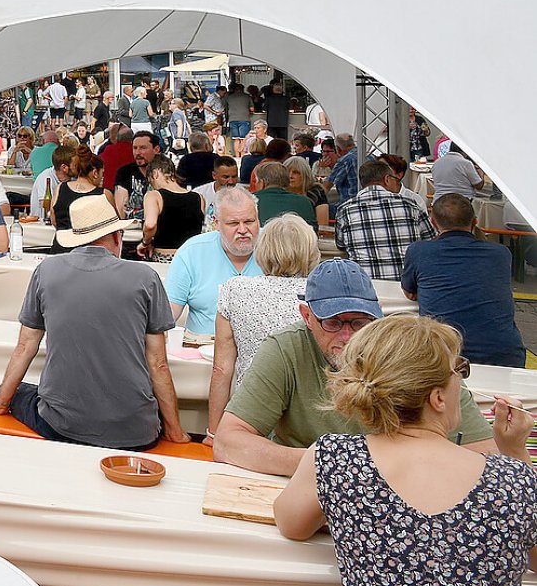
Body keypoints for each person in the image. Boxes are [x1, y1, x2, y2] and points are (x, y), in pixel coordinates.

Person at [273, 314, 537, 586]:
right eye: (459, 372)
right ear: (437, 398)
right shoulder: (511, 480)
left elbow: (291, 523)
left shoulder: (335, 459)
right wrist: (516, 451)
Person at [213, 257, 494, 477]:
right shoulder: (286, 349)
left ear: (377, 315)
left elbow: (485, 455)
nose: (347, 336)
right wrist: (331, 466)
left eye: (359, 322)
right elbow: (228, 441)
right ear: (306, 316)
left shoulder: (411, 352)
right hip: (310, 488)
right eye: (333, 322)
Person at [0, 195, 187, 449]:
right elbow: (158, 365)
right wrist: (175, 432)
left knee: (22, 392)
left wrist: (1, 403)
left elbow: (25, 347)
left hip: (61, 425)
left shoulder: (46, 271)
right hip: (135, 432)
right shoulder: (146, 278)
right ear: (117, 237)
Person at [207, 214, 319, 436]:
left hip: (250, 416)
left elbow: (222, 369)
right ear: (311, 252)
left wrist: (214, 433)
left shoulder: (235, 290)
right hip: (308, 420)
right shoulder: (322, 294)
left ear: (263, 250)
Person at [402, 193, 526, 367]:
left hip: (445, 354)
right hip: (504, 353)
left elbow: (409, 292)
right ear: (475, 222)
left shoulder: (419, 251)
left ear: (433, 222)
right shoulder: (501, 253)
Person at [165, 186, 260, 335]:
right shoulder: (192, 252)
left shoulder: (275, 248)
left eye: (249, 221)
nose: (242, 230)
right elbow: (168, 315)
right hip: (200, 351)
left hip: (261, 354)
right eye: (233, 223)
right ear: (216, 223)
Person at [336, 158, 434, 280]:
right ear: (387, 179)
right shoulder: (411, 205)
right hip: (407, 287)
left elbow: (340, 245)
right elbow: (430, 240)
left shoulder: (345, 209)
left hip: (365, 287)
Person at [139, 154, 204, 261]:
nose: (152, 185)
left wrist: (145, 242)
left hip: (164, 258)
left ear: (155, 174)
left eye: (150, 181)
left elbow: (150, 224)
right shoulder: (199, 198)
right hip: (192, 259)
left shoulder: (154, 196)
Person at [113, 130, 159, 226]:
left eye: (143, 148)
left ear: (156, 149)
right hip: (131, 230)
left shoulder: (163, 173)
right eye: (135, 148)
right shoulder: (125, 172)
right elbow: (120, 209)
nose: (138, 152)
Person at [251, 160, 316, 226]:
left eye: (256, 181)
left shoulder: (251, 201)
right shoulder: (304, 201)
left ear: (262, 183)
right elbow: (313, 230)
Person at [283, 156, 330, 228]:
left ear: (305, 175)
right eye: (287, 172)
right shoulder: (279, 192)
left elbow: (323, 225)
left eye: (296, 172)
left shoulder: (317, 192)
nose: (290, 176)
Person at [194, 154, 239, 225]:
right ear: (214, 175)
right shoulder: (199, 193)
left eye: (234, 177)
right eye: (226, 177)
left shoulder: (243, 195)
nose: (231, 181)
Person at [327, 132, 360, 204]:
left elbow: (327, 186)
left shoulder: (344, 161)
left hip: (349, 204)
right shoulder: (371, 155)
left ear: (338, 149)